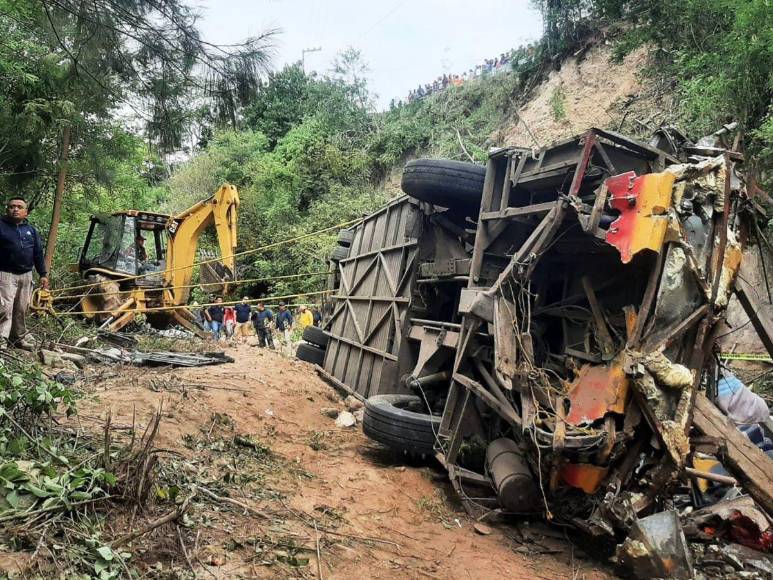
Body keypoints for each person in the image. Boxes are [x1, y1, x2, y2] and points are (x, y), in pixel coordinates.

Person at [0, 197, 49, 349]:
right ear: (7, 209)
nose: (15, 209)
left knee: (21, 308)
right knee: (4, 307)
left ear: (26, 212)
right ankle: (1, 339)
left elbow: (38, 254)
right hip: (5, 273)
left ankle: (17, 338)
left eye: (19, 207)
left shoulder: (31, 231)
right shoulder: (1, 226)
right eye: (12, 206)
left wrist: (43, 274)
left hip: (26, 275)